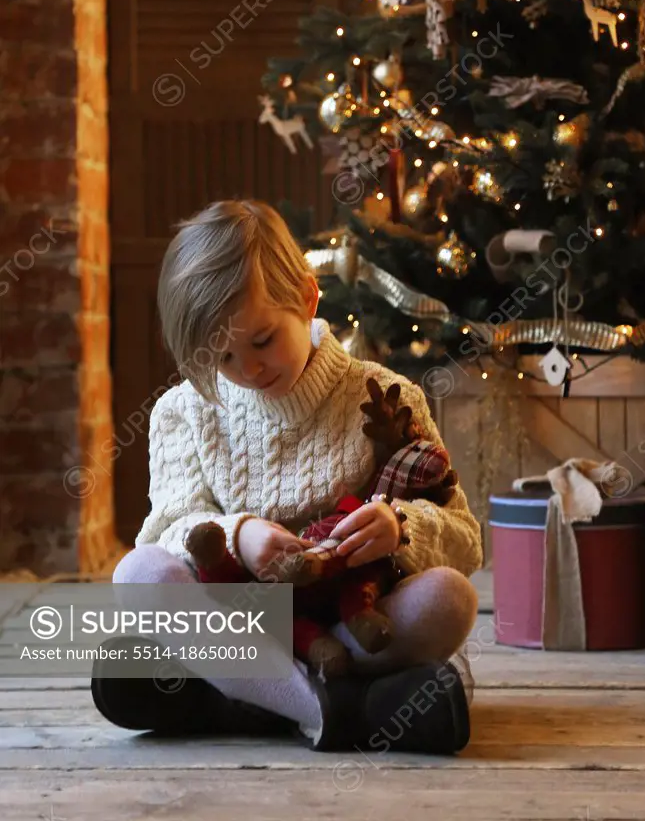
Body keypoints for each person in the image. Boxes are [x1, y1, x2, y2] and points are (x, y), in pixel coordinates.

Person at [91, 199, 482, 753]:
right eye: (222, 357)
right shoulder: (182, 412)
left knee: (450, 598)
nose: (248, 370)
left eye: (262, 340)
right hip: (240, 623)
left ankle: (243, 699)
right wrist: (237, 534)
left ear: (306, 296)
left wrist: (400, 528)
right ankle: (333, 707)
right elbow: (165, 532)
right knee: (137, 574)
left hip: (353, 620)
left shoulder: (386, 398)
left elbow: (464, 538)